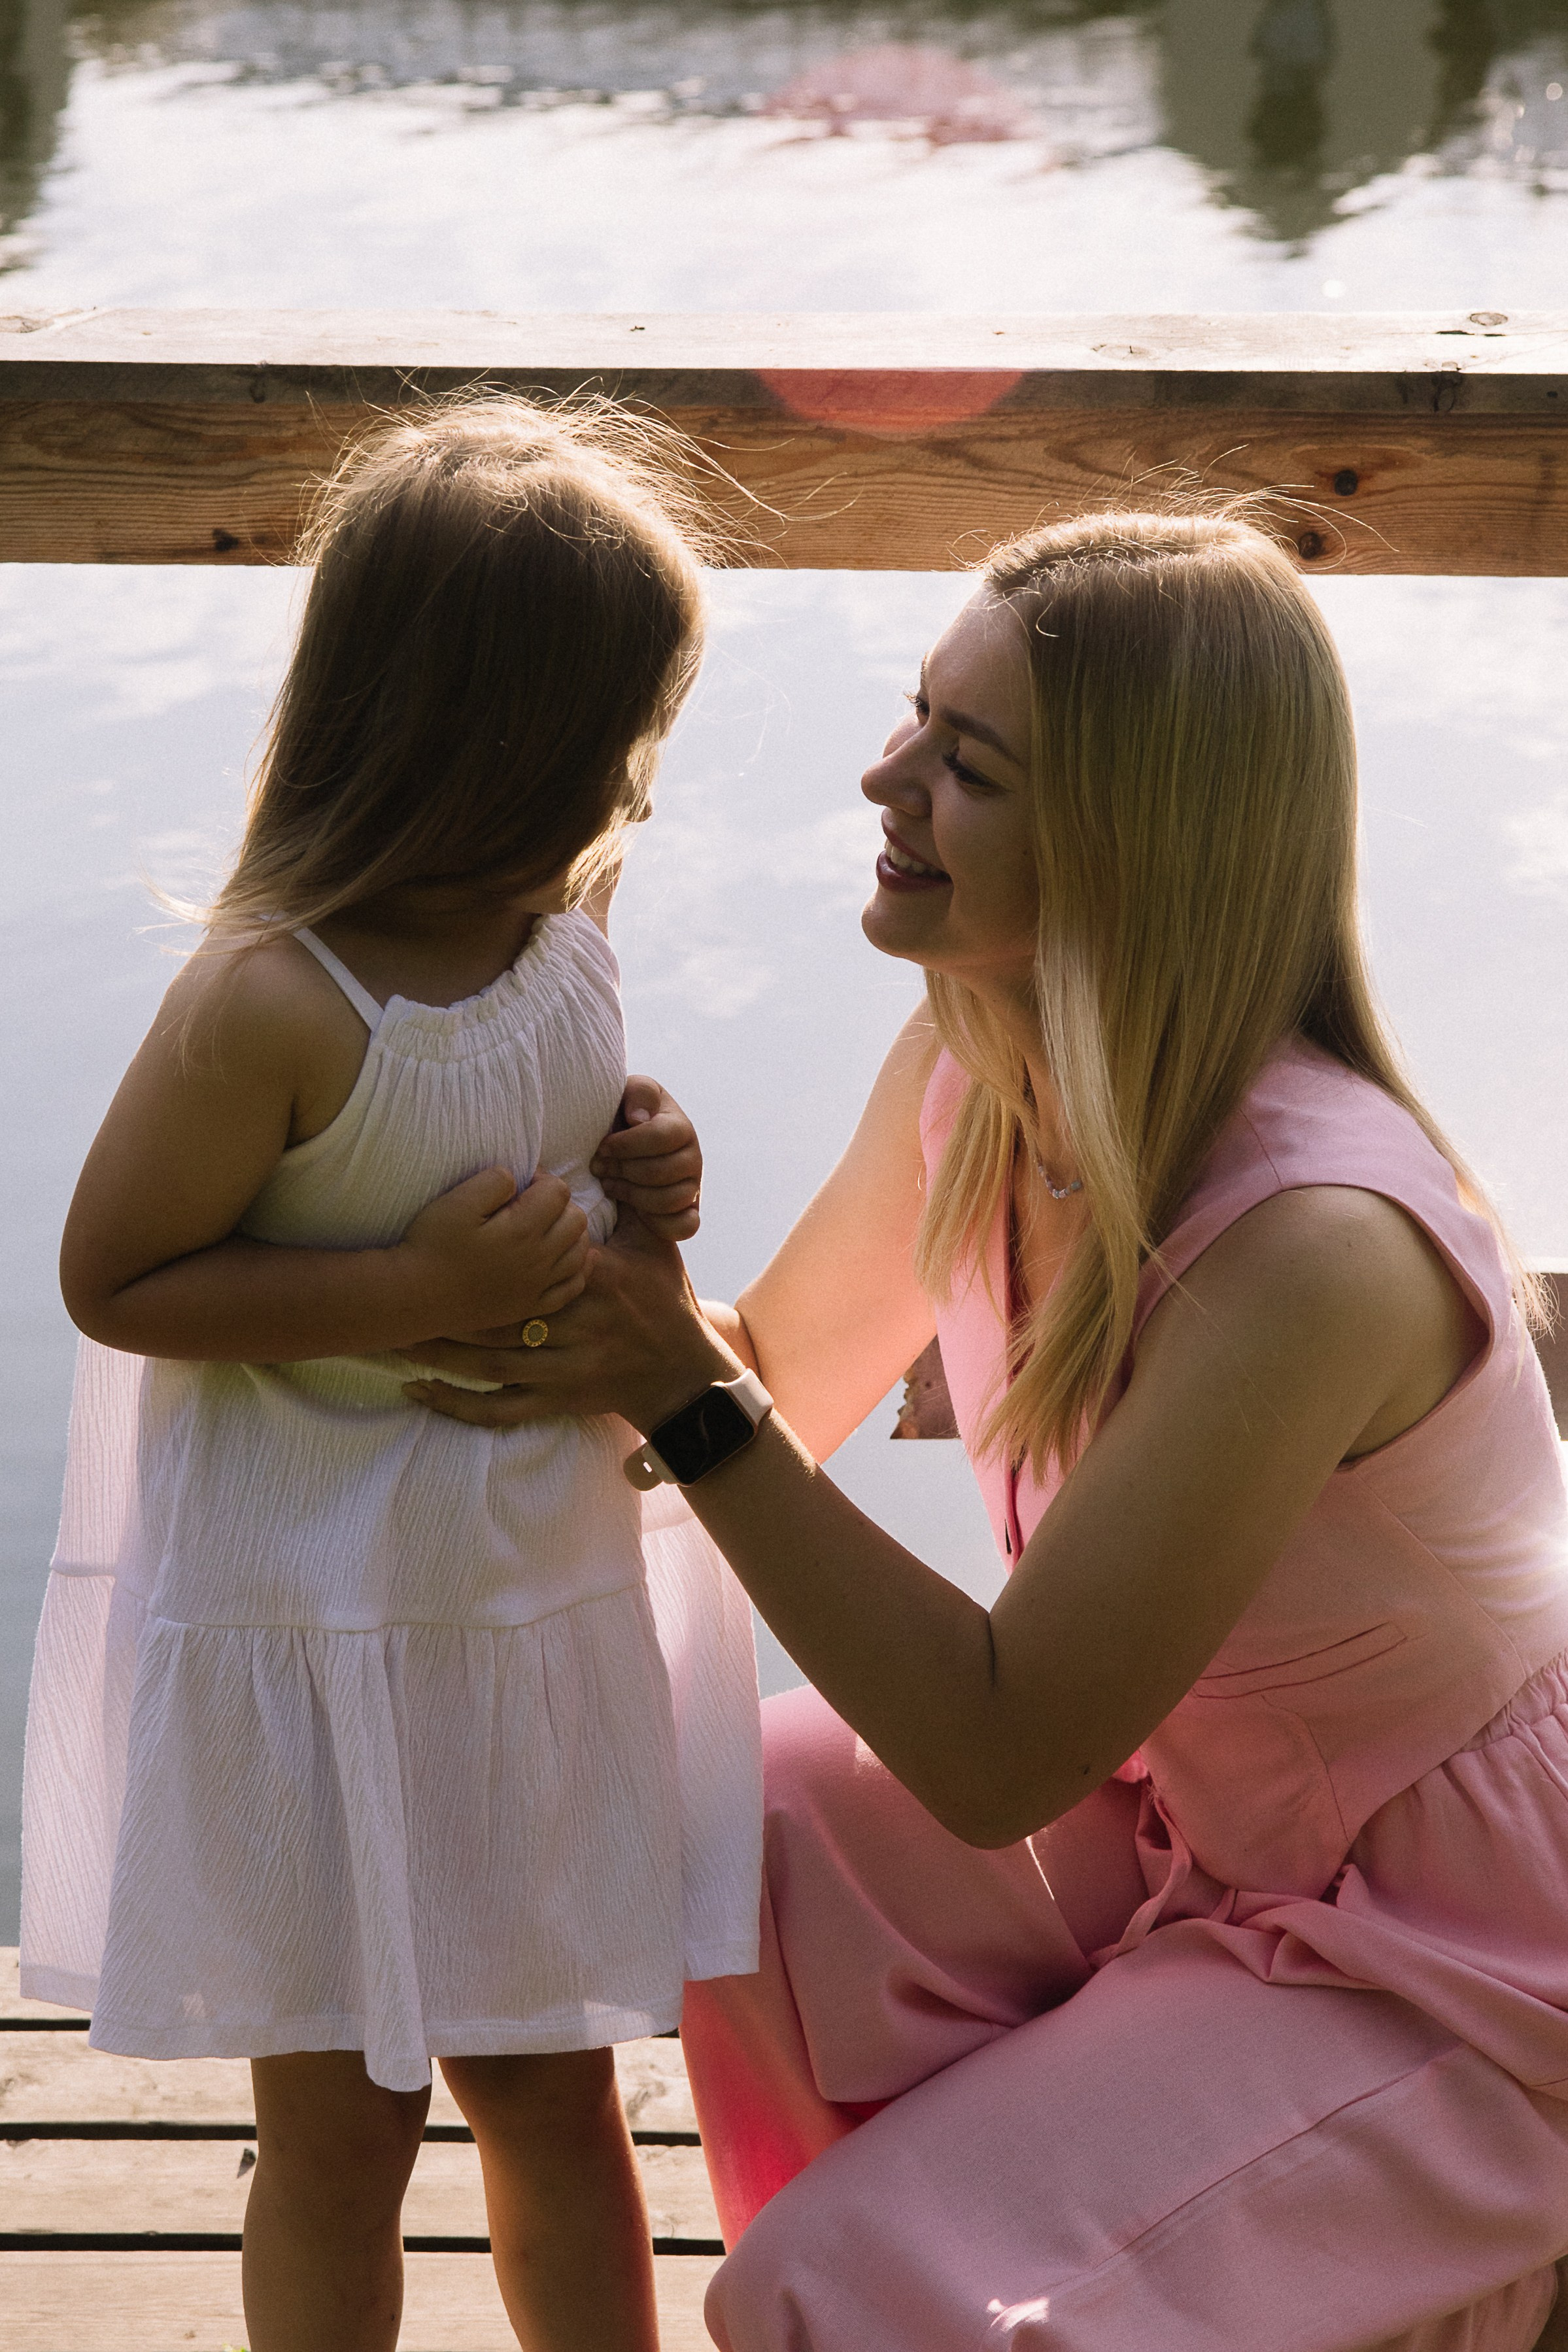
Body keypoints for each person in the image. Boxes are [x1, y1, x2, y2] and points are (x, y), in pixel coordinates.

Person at [407, 509, 1568, 2351]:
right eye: (912, 720)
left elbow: (995, 1748)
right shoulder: (975, 1061)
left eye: (970, 765)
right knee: (750, 1808)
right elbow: (775, 1379)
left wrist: (682, 1391)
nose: (885, 779)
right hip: (1203, 1821)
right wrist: (556, 1179)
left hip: (1474, 1953)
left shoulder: (1314, 1246)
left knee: (832, 2288)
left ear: (1133, 839)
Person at [19, 397, 762, 2352]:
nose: (638, 792)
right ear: (465, 744)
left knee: (557, 2100)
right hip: (317, 1613)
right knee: (339, 2134)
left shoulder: (562, 926)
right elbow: (119, 1279)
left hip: (515, 1609)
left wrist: (647, 1170)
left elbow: (561, 1151)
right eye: (610, 745)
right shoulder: (272, 996)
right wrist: (397, 1281)